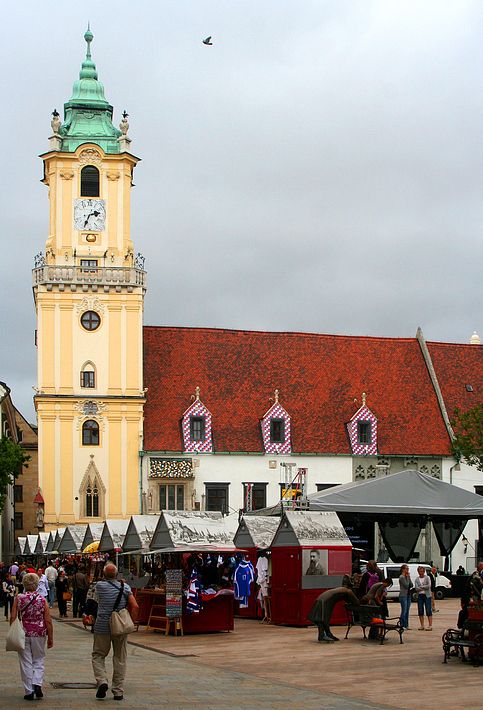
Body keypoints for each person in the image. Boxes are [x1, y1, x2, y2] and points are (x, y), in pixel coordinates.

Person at [92, 563, 138, 701]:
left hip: (102, 627)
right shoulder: (125, 587)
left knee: (98, 655)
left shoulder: (99, 586)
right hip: (120, 627)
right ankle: (118, 690)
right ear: (117, 574)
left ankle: (102, 681)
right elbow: (135, 605)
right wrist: (131, 622)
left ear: (104, 575)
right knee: (120, 658)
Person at [10, 572, 53, 700]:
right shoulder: (41, 599)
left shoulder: (19, 597)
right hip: (39, 631)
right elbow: (48, 620)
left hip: (24, 632)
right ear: (36, 585)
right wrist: (50, 636)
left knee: (25, 661)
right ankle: (37, 683)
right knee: (39, 658)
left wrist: (13, 630)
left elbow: (13, 616)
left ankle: (29, 691)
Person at [307, 574, 359, 642]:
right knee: (323, 617)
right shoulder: (348, 591)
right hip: (326, 600)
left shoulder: (342, 589)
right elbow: (356, 602)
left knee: (323, 617)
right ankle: (322, 635)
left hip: (324, 598)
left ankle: (328, 633)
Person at [414, 565, 432, 630]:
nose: (420, 572)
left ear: (424, 572)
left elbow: (429, 586)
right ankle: (422, 625)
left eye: (422, 571)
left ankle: (430, 625)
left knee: (428, 609)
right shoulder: (417, 579)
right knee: (420, 610)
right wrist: (424, 586)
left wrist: (421, 587)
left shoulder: (427, 578)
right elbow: (416, 588)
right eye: (419, 571)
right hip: (420, 595)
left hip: (427, 595)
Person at [398, 564, 413, 629]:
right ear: (403, 569)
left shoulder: (407, 577)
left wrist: (409, 578)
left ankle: (406, 625)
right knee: (404, 610)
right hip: (403, 595)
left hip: (408, 595)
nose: (408, 570)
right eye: (406, 569)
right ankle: (402, 624)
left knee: (407, 610)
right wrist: (407, 578)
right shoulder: (402, 577)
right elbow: (406, 585)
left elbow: (411, 585)